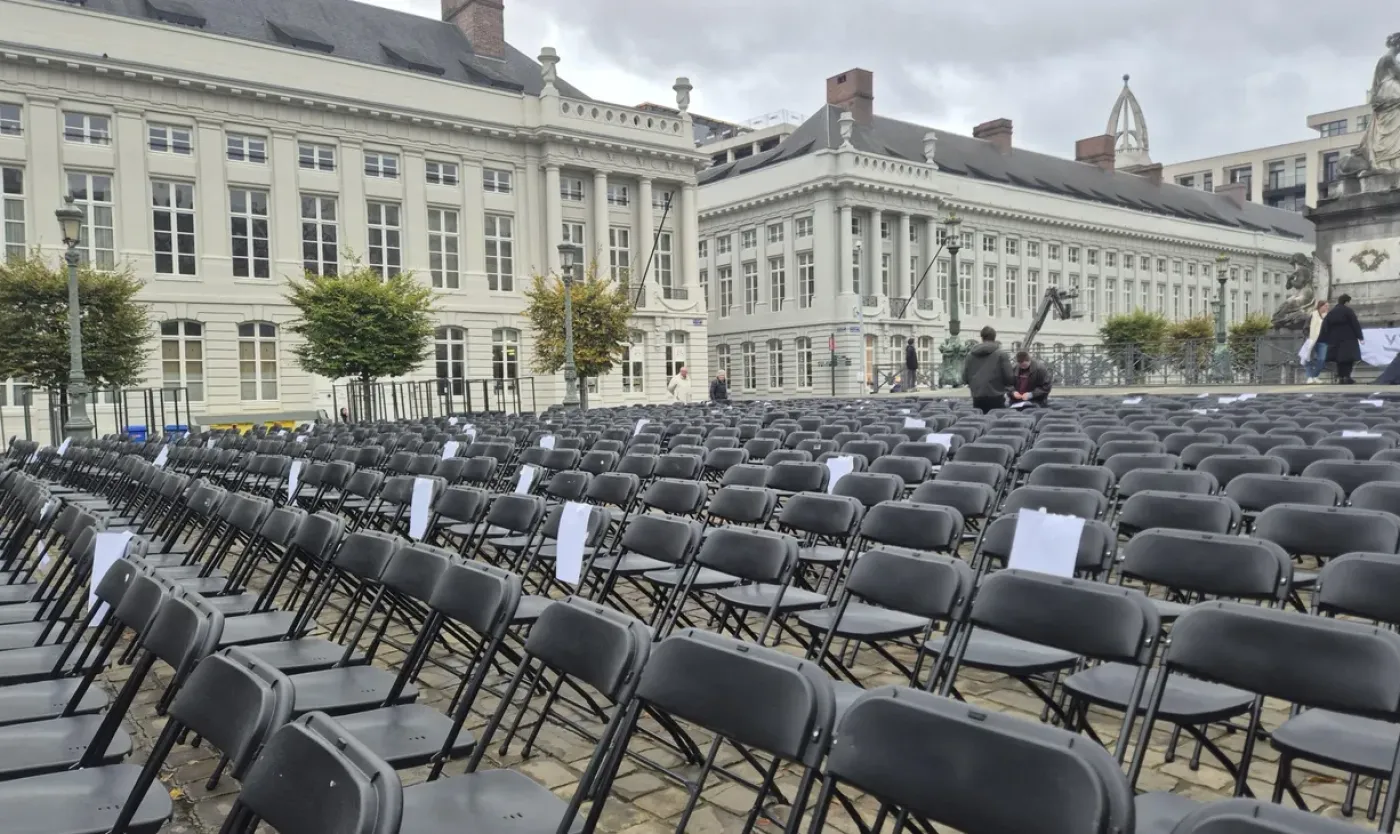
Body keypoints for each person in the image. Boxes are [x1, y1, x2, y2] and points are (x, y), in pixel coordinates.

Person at [962, 326, 1015, 413]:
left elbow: (964, 378)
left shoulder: (970, 355)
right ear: (994, 337)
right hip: (997, 396)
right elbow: (1009, 377)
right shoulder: (1001, 354)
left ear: (982, 337)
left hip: (977, 397)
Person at [1320, 293, 1365, 385]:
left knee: (1339, 360)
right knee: (1348, 359)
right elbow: (1355, 324)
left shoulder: (1331, 312)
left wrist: (1324, 338)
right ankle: (1347, 377)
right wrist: (1360, 337)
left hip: (1335, 339)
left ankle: (1340, 377)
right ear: (1346, 302)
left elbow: (1325, 326)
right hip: (1348, 339)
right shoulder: (1348, 311)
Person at [1304, 300, 1329, 383]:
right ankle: (1309, 376)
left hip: (1323, 340)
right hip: (1312, 339)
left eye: (1327, 306)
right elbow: (1306, 327)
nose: (1327, 308)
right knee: (1308, 358)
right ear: (1320, 306)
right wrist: (1307, 337)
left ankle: (1314, 375)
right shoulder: (1313, 314)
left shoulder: (1327, 316)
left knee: (1321, 359)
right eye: (1325, 306)